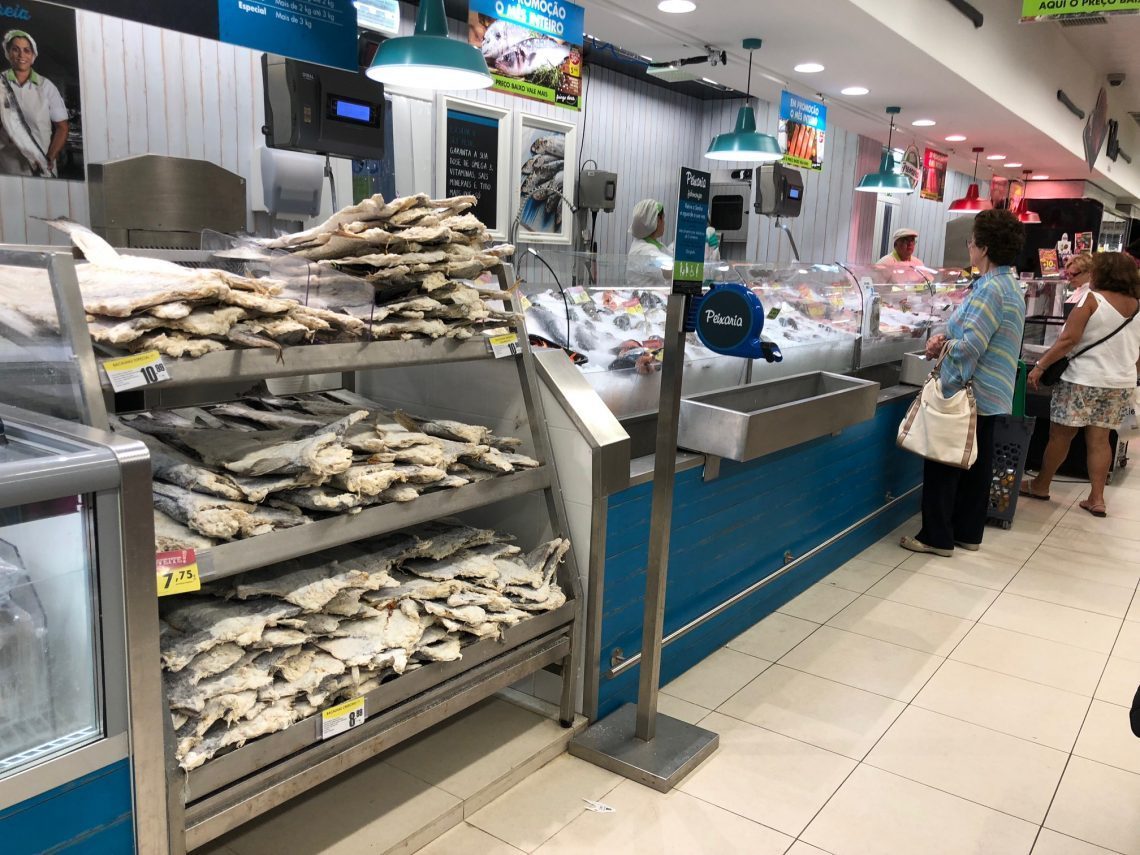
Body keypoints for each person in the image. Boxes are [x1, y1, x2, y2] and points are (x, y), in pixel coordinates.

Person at [900, 209, 1026, 557]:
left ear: (983, 248)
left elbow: (971, 345)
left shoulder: (991, 290)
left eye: (972, 241)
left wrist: (942, 357)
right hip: (991, 392)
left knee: (945, 461)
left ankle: (936, 536)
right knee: (976, 464)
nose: (969, 247)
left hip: (969, 390)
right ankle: (968, 532)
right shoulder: (1008, 285)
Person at [1022, 252, 1140, 517]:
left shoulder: (1091, 299)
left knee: (1061, 436)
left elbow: (1068, 340)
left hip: (1081, 379)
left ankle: (1041, 485)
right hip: (1119, 383)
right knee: (1101, 440)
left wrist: (1040, 366)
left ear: (1102, 273)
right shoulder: (1137, 306)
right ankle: (1097, 498)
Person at [0, 29, 68, 177]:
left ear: (33, 55)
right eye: (15, 49)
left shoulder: (47, 86)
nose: (21, 55)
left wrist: (50, 157)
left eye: (27, 50)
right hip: (8, 168)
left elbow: (62, 128)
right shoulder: (1, 83)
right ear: (8, 53)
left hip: (44, 166)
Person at [627, 199, 674, 289]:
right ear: (657, 221)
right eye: (663, 218)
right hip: (643, 296)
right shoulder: (644, 250)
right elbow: (671, 269)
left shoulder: (648, 243)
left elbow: (668, 255)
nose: (664, 223)